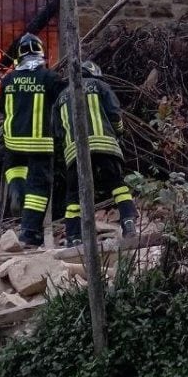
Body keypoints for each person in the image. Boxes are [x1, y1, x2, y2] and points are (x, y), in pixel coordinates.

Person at [53, 61, 137, 246]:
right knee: (117, 185)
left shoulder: (60, 97)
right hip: (105, 145)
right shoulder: (100, 86)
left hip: (74, 152)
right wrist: (119, 131)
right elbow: (115, 114)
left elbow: (58, 131)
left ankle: (74, 237)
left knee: (74, 198)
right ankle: (129, 223)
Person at [0, 33, 65, 247]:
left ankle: (17, 190)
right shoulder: (48, 78)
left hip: (13, 141)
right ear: (41, 53)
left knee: (14, 169)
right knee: (38, 187)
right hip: (40, 143)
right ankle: (30, 232)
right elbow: (65, 98)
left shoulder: (8, 79)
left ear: (18, 56)